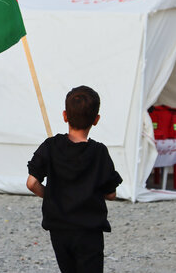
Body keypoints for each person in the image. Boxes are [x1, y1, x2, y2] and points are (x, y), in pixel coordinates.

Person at [26, 85, 122, 273]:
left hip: (59, 228)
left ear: (64, 115)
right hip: (89, 230)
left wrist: (51, 195)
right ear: (96, 120)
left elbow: (31, 183)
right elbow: (111, 194)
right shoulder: (99, 152)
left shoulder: (51, 146)